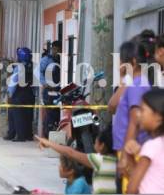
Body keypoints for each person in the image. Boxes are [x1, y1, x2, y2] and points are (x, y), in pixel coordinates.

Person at [113, 35, 156, 193]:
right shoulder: (135, 83)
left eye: (121, 61)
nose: (118, 66)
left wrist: (126, 155)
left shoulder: (137, 85)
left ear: (133, 63)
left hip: (132, 152)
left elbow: (135, 119)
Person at [35, 126, 117, 194]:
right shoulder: (116, 161)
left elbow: (71, 153)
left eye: (95, 142)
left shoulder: (100, 160)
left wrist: (49, 143)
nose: (93, 144)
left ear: (102, 145)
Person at [125, 89, 164, 194]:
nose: (138, 114)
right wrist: (130, 156)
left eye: (142, 110)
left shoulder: (152, 146)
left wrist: (129, 157)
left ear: (158, 116)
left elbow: (132, 188)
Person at [4, 47, 35, 142]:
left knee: (16, 115)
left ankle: (18, 135)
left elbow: (13, 81)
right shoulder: (32, 66)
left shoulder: (19, 67)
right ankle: (28, 135)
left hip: (19, 93)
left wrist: (9, 94)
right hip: (30, 93)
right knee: (28, 115)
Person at [40, 40, 62, 138]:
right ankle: (47, 135)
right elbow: (38, 72)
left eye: (58, 50)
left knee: (57, 113)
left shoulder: (62, 60)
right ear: (52, 48)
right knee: (50, 113)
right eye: (54, 49)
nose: (55, 51)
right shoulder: (46, 60)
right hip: (49, 91)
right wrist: (44, 83)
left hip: (58, 90)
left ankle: (54, 135)